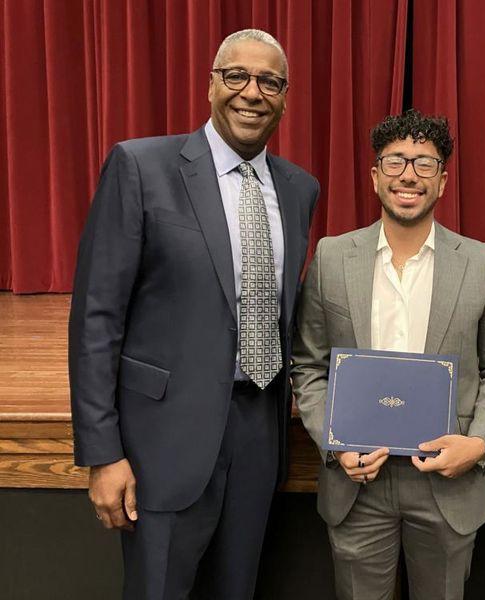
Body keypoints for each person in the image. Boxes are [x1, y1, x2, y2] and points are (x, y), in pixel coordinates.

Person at [68, 29, 318, 599]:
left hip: (259, 435)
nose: (252, 92)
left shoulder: (300, 188)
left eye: (270, 82)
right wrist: (102, 453)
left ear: (285, 96)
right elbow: (96, 319)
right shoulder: (140, 166)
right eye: (237, 76)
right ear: (211, 85)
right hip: (162, 442)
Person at [291, 109, 485, 600]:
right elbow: (308, 367)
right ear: (376, 177)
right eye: (395, 161)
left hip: (447, 483)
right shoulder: (332, 258)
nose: (409, 175)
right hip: (358, 483)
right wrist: (334, 440)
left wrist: (478, 445)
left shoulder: (482, 264)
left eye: (424, 163)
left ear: (442, 181)